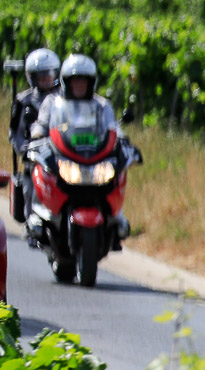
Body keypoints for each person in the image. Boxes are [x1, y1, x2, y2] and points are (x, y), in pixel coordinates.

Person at [28, 54, 134, 246]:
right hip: (65, 157)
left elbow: (113, 128)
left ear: (91, 82)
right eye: (75, 80)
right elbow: (41, 124)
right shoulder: (52, 102)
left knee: (117, 172)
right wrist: (36, 136)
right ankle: (41, 214)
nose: (79, 85)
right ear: (66, 82)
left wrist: (123, 138)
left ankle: (115, 219)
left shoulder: (102, 105)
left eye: (83, 80)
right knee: (40, 168)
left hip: (94, 158)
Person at [8, 48, 61, 223]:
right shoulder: (23, 101)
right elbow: (14, 134)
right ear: (31, 77)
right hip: (35, 154)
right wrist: (25, 150)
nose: (46, 79)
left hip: (61, 152)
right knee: (31, 183)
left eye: (50, 74)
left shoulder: (64, 99)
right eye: (42, 75)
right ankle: (32, 222)